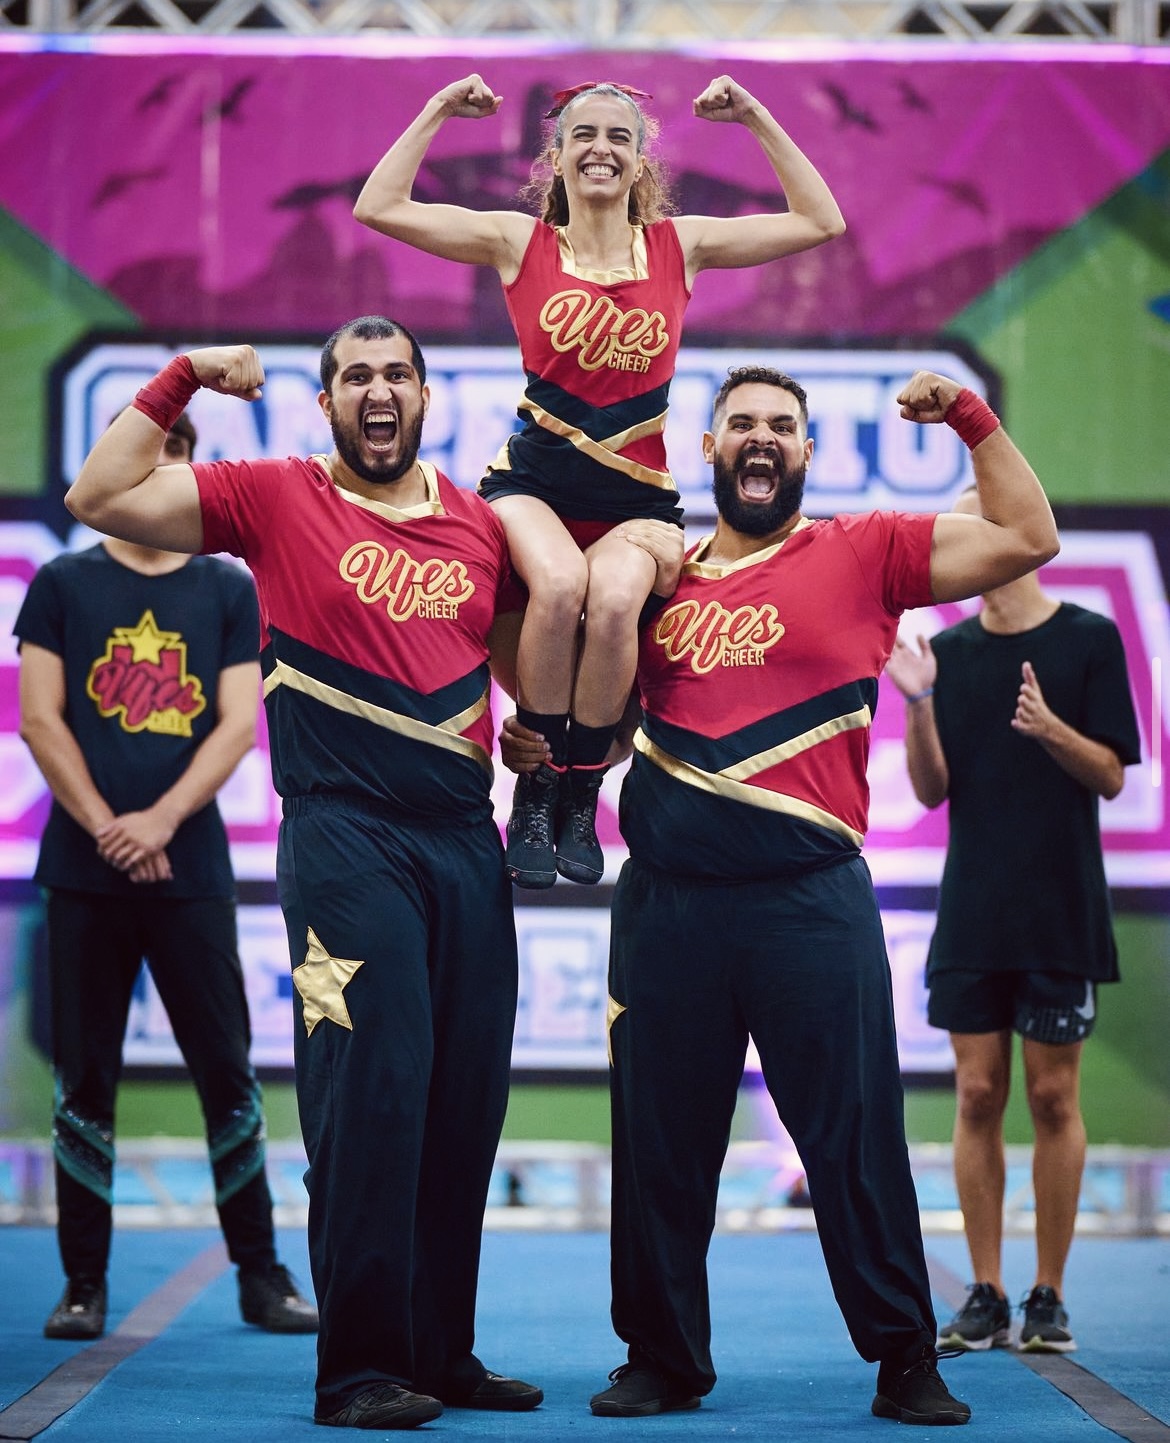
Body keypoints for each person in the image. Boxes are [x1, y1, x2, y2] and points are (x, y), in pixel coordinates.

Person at [504, 364, 1059, 1425]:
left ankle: (905, 1358)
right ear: (707, 451)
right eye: (742, 425)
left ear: (808, 452)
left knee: (854, 1140)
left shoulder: (865, 553)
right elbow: (607, 730)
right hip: (668, 903)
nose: (761, 440)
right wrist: (547, 743)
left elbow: (1027, 537)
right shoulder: (652, 575)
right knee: (660, 1147)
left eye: (782, 428)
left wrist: (974, 419)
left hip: (810, 903)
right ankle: (661, 1357)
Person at [61, 320, 542, 1431]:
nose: (377, 392)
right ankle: (359, 1368)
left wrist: (531, 734)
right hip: (344, 842)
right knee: (369, 1095)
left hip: (468, 844)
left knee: (462, 1107)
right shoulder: (274, 495)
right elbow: (100, 494)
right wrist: (184, 375)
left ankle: (440, 1351)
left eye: (395, 375)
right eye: (354, 377)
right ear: (326, 404)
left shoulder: (477, 524)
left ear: (427, 397)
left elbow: (514, 670)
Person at [353, 74, 845, 891]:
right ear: (558, 156)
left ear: (640, 159)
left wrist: (756, 114)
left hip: (638, 500)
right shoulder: (522, 244)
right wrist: (438, 108)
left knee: (613, 597)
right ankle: (536, 789)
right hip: (534, 486)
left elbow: (820, 221)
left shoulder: (678, 248)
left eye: (619, 137)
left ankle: (584, 791)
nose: (602, 150)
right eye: (584, 135)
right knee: (560, 581)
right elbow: (379, 206)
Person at [15, 411, 318, 1344]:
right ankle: (83, 1283)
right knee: (84, 1078)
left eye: (175, 453)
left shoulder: (226, 588)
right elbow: (39, 717)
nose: (159, 466)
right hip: (83, 871)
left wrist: (158, 821)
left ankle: (262, 1276)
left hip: (189, 872)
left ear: (186, 469)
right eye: (143, 449)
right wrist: (109, 826)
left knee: (227, 1072)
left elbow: (235, 724)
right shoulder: (64, 584)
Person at [885, 488, 1140, 1356]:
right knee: (980, 1093)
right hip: (974, 907)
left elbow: (1110, 774)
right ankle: (986, 1291)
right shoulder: (946, 654)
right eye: (961, 533)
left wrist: (1049, 728)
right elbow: (930, 789)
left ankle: (1050, 1293)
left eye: (984, 529)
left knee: (1053, 1093)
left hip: (1062, 903)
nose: (972, 546)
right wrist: (918, 702)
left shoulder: (1088, 639)